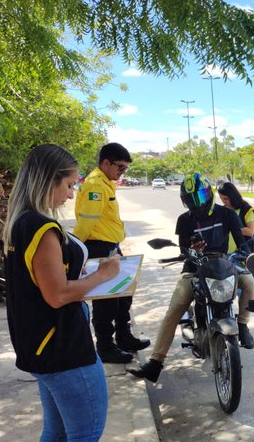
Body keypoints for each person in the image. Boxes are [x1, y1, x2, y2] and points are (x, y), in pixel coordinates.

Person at [3, 144, 121, 441]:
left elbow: (41, 283)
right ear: (48, 180)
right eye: (69, 185)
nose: (70, 195)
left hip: (42, 345)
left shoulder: (21, 223)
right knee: (86, 433)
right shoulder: (41, 228)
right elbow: (57, 295)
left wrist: (79, 275)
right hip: (63, 348)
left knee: (56, 433)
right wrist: (102, 276)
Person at [128, 173, 254, 383]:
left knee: (250, 283)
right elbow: (183, 250)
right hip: (194, 269)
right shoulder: (184, 220)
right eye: (191, 199)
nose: (197, 202)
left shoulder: (227, 214)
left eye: (200, 196)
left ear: (209, 194)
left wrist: (246, 256)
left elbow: (241, 243)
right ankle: (155, 362)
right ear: (185, 201)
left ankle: (242, 324)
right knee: (175, 309)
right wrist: (192, 250)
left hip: (223, 264)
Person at [74, 142, 150, 364]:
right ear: (106, 163)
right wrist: (75, 249)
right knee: (107, 301)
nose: (122, 172)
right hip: (99, 247)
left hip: (111, 246)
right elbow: (86, 222)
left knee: (123, 293)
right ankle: (106, 347)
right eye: (120, 167)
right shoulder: (95, 185)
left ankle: (124, 337)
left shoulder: (105, 182)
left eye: (126, 168)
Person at [217, 180, 254, 250]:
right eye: (221, 199)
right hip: (226, 252)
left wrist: (233, 228)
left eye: (226, 199)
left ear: (233, 196)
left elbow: (250, 232)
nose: (224, 202)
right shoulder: (222, 210)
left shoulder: (246, 210)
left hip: (242, 253)